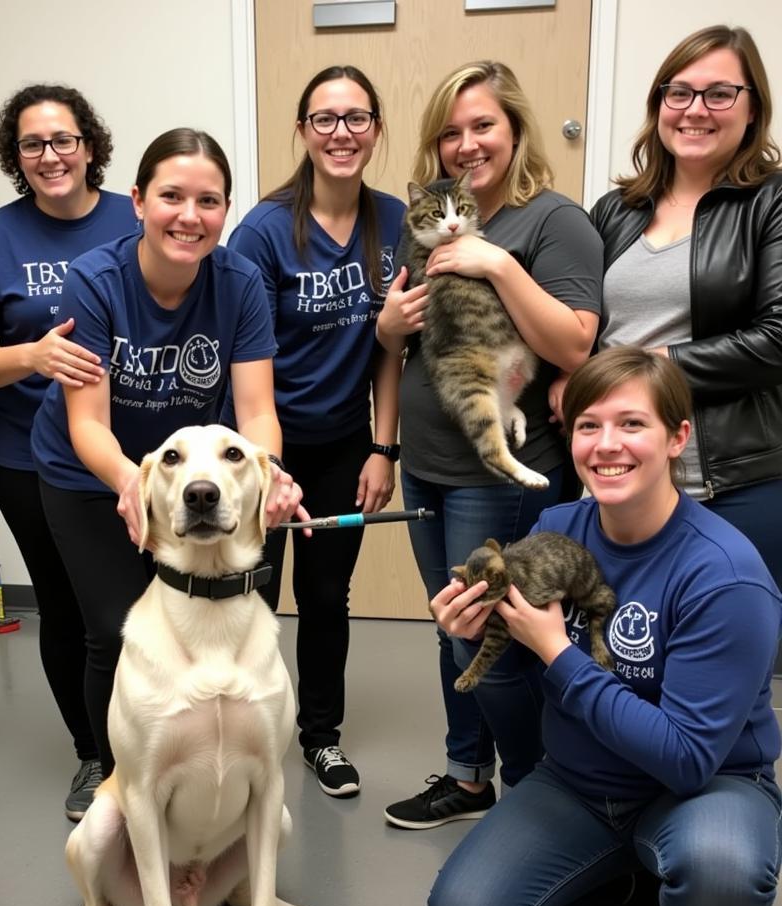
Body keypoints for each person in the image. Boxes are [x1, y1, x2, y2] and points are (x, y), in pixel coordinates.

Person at [426, 347, 781, 906]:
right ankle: (629, 875)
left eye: (632, 425)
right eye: (588, 426)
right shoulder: (556, 527)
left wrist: (559, 651)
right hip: (584, 785)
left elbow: (685, 757)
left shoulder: (724, 575)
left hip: (703, 788)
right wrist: (468, 633)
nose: (606, 445)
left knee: (721, 873)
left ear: (678, 437)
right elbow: (519, 670)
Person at [29, 128, 306, 779]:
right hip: (92, 473)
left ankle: (204, 752)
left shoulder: (238, 285)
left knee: (210, 617)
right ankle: (108, 766)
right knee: (116, 628)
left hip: (193, 474)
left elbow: (257, 409)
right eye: (172, 196)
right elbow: (89, 423)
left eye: (209, 201)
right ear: (137, 201)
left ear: (225, 212)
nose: (190, 216)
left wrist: (266, 476)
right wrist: (134, 484)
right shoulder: (95, 282)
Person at [375, 61, 603, 827]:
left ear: (515, 129)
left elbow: (575, 346)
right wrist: (385, 331)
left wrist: (498, 263)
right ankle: (467, 776)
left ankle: (542, 791)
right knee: (454, 627)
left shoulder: (552, 221)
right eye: (450, 132)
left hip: (499, 472)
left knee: (499, 639)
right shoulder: (432, 219)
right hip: (430, 465)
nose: (466, 144)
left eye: (483, 126)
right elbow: (404, 342)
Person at [0, 85, 138, 821]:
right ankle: (94, 754)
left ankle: (156, 745)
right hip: (33, 460)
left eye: (63, 139)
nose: (50, 155)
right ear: (14, 157)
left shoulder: (133, 216)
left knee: (146, 611)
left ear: (89, 145)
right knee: (72, 611)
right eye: (32, 144)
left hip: (139, 458)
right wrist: (33, 357)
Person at [226, 66, 404, 798]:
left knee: (328, 595)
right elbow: (249, 362)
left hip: (343, 443)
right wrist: (266, 470)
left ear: (375, 128)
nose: (341, 133)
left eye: (356, 118)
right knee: (255, 594)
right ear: (302, 130)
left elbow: (392, 346)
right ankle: (247, 739)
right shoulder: (265, 231)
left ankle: (319, 738)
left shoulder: (393, 220)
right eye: (324, 119)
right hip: (266, 445)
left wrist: (382, 446)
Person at [589, 24, 782, 588]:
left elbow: (777, 338)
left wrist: (649, 370)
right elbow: (582, 325)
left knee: (727, 664)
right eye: (679, 93)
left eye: (719, 93)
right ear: (659, 106)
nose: (695, 110)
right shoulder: (614, 210)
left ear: (752, 109)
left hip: (731, 481)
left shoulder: (771, 202)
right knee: (618, 653)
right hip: (621, 476)